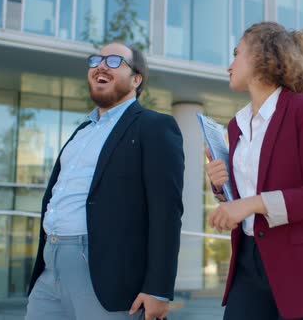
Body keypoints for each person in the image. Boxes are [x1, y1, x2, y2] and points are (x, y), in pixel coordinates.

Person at [25, 42, 184, 320]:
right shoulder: (82, 132)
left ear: (136, 79)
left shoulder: (154, 126)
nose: (100, 65)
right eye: (96, 59)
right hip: (50, 268)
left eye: (113, 61)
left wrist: (159, 289)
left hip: (105, 274)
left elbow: (166, 212)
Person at [205, 22, 303, 320]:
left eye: (236, 54)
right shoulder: (236, 124)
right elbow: (243, 197)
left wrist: (251, 203)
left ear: (260, 57)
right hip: (247, 261)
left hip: (301, 269)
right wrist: (221, 188)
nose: (229, 65)